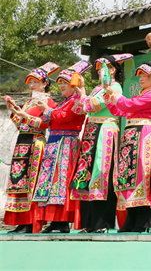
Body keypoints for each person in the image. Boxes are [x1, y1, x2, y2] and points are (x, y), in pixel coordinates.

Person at [104, 60, 151, 232]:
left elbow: (128, 105)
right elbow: (120, 111)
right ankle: (131, 218)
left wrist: (116, 95)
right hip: (131, 134)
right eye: (140, 75)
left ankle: (142, 221)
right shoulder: (140, 95)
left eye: (145, 75)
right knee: (128, 176)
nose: (141, 78)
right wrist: (110, 98)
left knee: (142, 174)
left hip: (143, 133)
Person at [70, 53, 132, 233]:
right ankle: (89, 223)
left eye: (103, 68)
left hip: (105, 130)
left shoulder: (115, 87)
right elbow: (80, 108)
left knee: (102, 172)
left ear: (113, 70)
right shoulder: (97, 88)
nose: (100, 73)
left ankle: (102, 222)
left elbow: (94, 106)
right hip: (91, 131)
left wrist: (84, 98)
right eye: (98, 69)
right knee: (87, 174)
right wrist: (81, 93)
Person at [32, 61, 90, 233]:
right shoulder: (63, 101)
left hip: (66, 143)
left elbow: (64, 117)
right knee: (51, 182)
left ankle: (62, 221)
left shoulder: (77, 101)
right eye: (61, 84)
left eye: (65, 83)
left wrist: (47, 109)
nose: (62, 86)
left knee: (61, 181)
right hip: (54, 143)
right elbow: (54, 116)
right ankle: (54, 220)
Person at [3, 62, 58, 233]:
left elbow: (44, 124)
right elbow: (22, 125)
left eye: (35, 82)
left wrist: (24, 115)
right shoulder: (28, 102)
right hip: (22, 143)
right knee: (19, 183)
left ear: (44, 83)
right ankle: (21, 221)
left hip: (36, 143)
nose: (32, 85)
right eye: (30, 82)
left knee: (31, 183)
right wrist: (13, 112)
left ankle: (31, 222)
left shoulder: (48, 102)